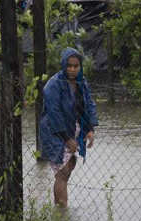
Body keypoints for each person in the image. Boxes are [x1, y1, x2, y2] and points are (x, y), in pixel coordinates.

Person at [40, 47, 99, 208]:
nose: (72, 69)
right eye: (69, 66)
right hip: (55, 132)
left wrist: (90, 128)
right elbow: (54, 114)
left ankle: (60, 211)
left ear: (80, 67)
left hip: (74, 128)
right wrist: (67, 139)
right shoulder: (54, 84)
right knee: (62, 172)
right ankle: (61, 210)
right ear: (63, 65)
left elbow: (88, 105)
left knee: (69, 167)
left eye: (76, 66)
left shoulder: (81, 82)